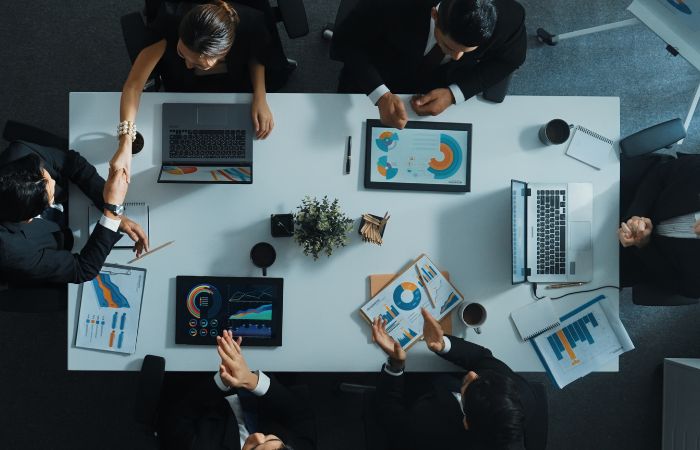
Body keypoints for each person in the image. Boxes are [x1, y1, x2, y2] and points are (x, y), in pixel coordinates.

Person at [115, 0, 275, 178]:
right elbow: (133, 85)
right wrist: (125, 140)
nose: (188, 65)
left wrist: (260, 96)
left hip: (233, 83)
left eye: (199, 63)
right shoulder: (171, 22)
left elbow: (256, 55)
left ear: (225, 51)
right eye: (182, 53)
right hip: (182, 85)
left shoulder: (251, 23)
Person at [334, 0, 526, 129]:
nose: (457, 57)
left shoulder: (510, 18)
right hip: (379, 71)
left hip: (444, 85)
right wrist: (379, 95)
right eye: (448, 46)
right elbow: (346, 41)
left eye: (465, 51)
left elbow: (511, 59)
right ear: (435, 15)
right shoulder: (393, 4)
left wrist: (454, 94)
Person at [370, 308, 535, 450]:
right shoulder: (519, 390)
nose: (471, 374)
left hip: (416, 395)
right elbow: (482, 357)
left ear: (466, 423)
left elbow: (389, 412)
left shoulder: (425, 431)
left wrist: (396, 365)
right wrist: (442, 345)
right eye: (482, 377)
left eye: (471, 386)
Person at [0, 140, 147, 284]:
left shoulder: (20, 153)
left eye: (47, 175)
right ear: (27, 219)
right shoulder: (10, 252)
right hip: (66, 241)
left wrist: (110, 208)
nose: (52, 181)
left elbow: (72, 162)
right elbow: (82, 270)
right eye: (50, 196)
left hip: (76, 197)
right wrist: (112, 212)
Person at [159, 330, 316, 450]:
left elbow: (179, 416)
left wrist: (222, 380)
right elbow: (298, 411)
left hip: (195, 369)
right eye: (272, 440)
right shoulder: (301, 446)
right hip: (272, 365)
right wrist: (249, 379)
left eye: (254, 448)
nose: (258, 437)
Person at [618, 153, 700, 298]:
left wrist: (643, 245)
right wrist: (635, 214)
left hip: (634, 257)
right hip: (636, 191)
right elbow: (660, 175)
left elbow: (665, 277)